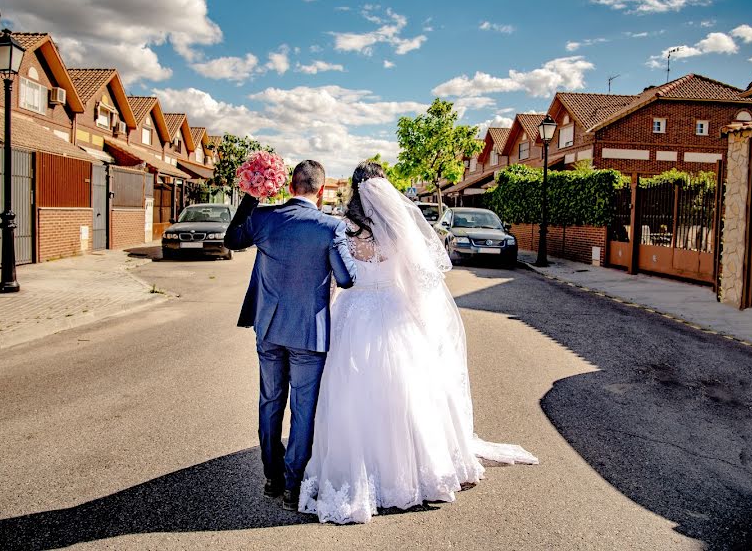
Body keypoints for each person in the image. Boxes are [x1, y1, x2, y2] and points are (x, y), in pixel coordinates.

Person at [298, 161, 538, 524]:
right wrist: (422, 319)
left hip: (353, 311)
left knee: (351, 389)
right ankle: (408, 469)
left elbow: (335, 278)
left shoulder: (341, 228)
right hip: (393, 310)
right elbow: (418, 279)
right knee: (405, 389)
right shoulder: (397, 229)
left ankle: (358, 466)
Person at [224, 159, 357, 511]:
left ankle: (272, 477)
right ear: (321, 191)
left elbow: (232, 239)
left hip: (268, 329)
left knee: (270, 401)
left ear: (289, 186)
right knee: (302, 409)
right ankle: (293, 486)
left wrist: (251, 197)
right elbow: (346, 278)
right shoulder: (330, 227)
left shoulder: (265, 218)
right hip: (308, 336)